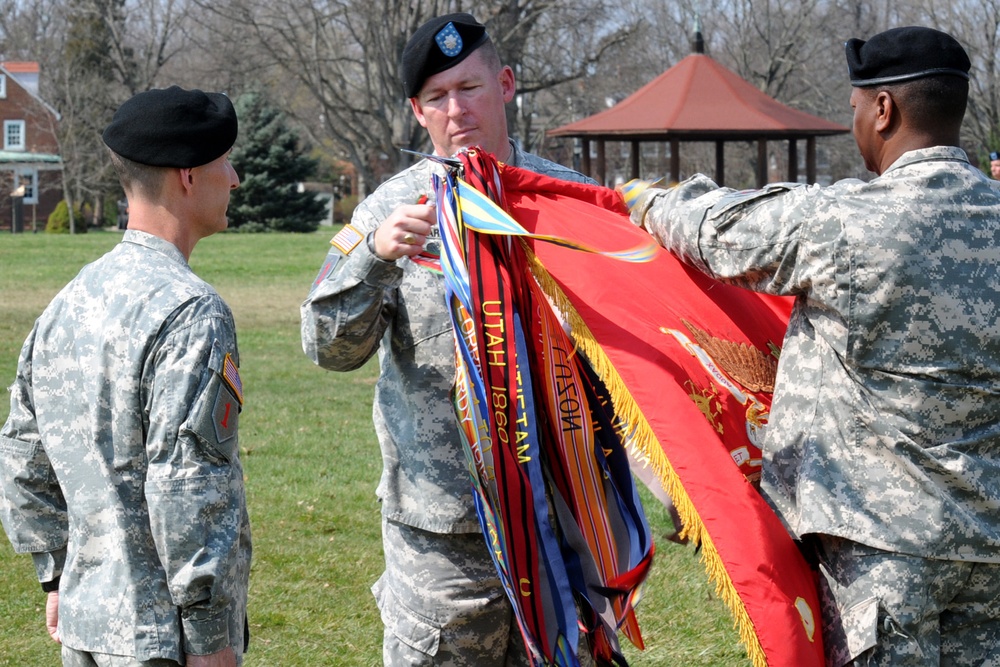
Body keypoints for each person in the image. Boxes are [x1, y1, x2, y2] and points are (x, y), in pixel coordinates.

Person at [625, 26, 1000, 667]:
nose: (854, 122)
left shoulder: (846, 221)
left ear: (884, 110)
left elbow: (714, 232)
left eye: (855, 107)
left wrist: (645, 199)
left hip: (881, 559)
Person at [301, 13, 596, 666]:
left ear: (507, 83)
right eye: (437, 97)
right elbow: (324, 345)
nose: (456, 109)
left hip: (561, 538)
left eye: (469, 87)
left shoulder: (570, 204)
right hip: (440, 548)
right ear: (416, 109)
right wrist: (375, 257)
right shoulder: (389, 212)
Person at [0, 86, 251, 667]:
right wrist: (211, 637)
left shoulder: (69, 299)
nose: (234, 178)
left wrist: (56, 574)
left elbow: (21, 450)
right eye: (223, 162)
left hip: (89, 627)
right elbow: (188, 489)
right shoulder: (192, 312)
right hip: (163, 640)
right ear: (188, 176)